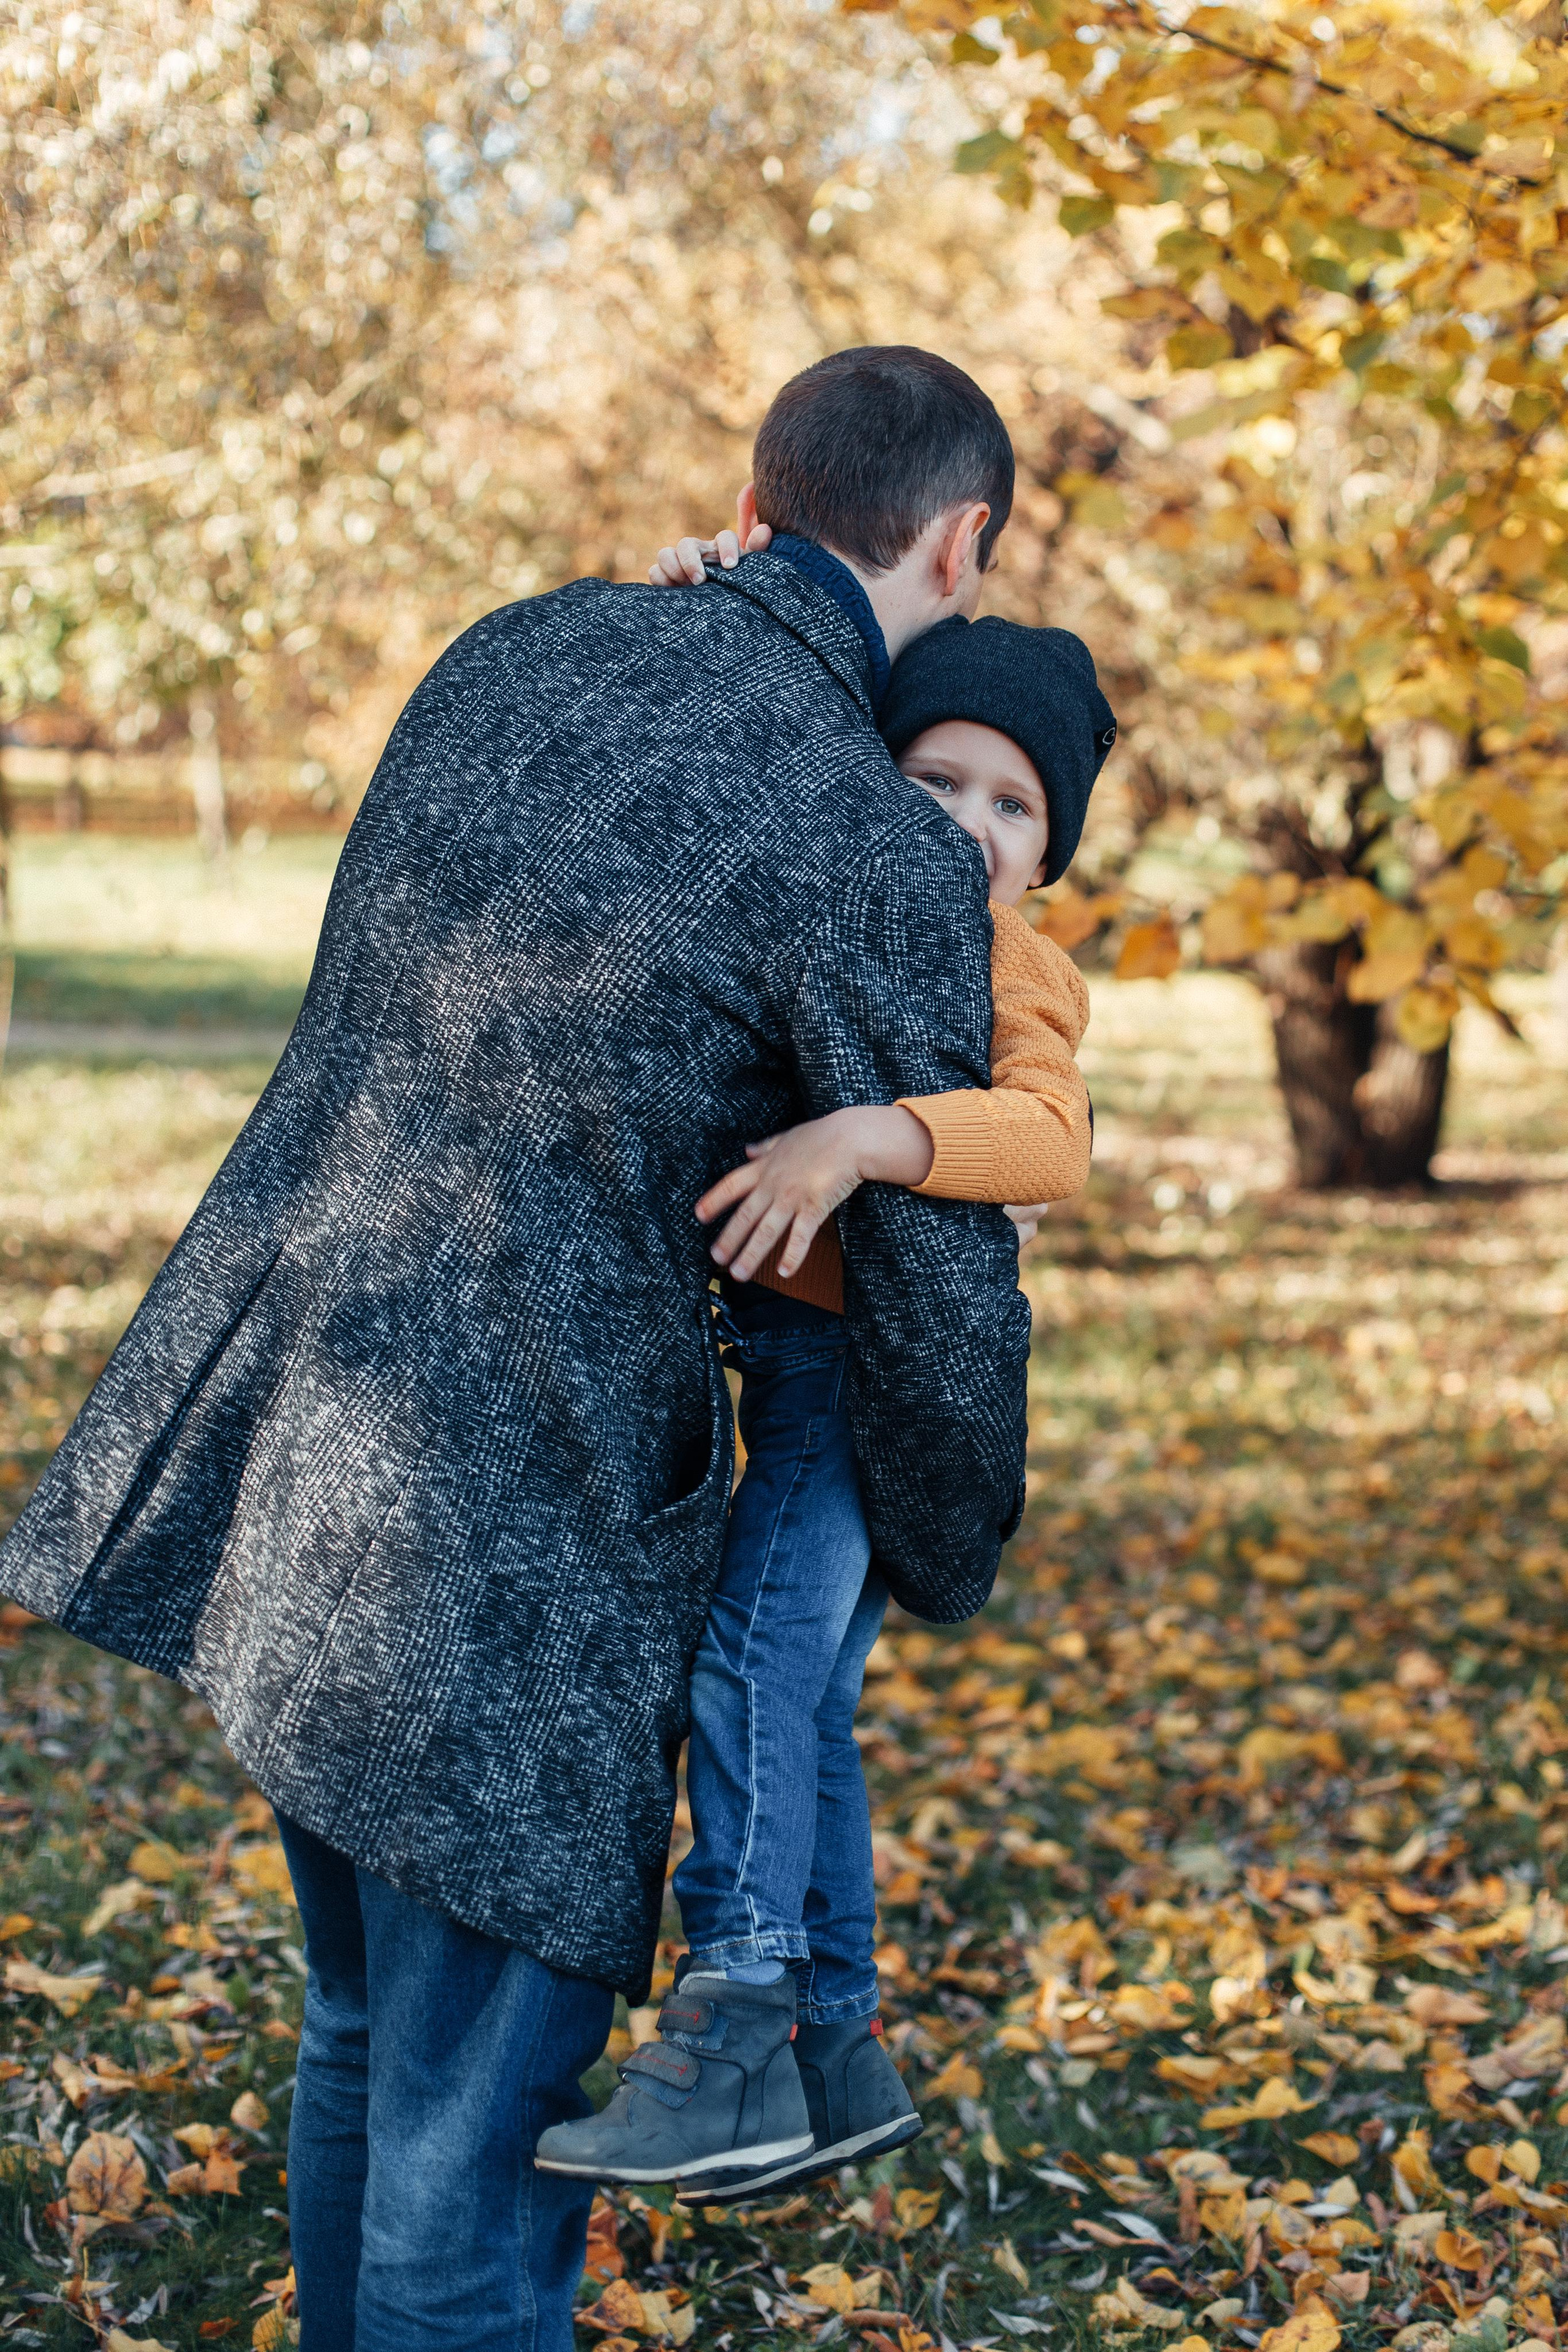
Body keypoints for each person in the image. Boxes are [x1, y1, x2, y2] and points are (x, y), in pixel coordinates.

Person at [0, 346, 1032, 2352]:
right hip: (524, 1547)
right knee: (469, 2172)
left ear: (758, 499)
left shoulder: (511, 651)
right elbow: (937, 1275)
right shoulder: (866, 831)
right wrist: (945, 1535)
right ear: (960, 539)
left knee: (366, 2040)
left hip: (302, 1450)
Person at [535, 599, 1115, 2198]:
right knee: (805, 1700)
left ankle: (734, 2021)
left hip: (866, 1379)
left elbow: (1052, 1139)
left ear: (1048, 854)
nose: (971, 826)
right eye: (936, 783)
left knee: (749, 1668)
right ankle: (836, 2045)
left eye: (1014, 807)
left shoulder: (1013, 961)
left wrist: (863, 1140)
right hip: (801, 1360)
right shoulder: (846, 904)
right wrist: (719, 577)